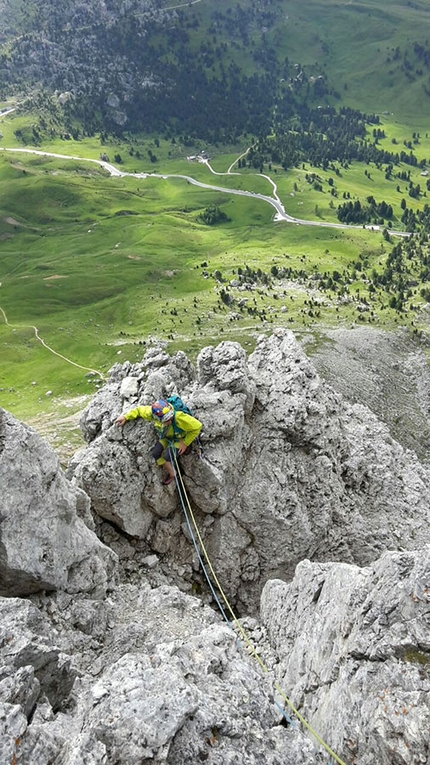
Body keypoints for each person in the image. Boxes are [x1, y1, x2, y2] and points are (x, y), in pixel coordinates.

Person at [116, 399, 202, 485]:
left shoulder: (179, 417)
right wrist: (125, 417)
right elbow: (139, 410)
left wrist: (185, 442)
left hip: (180, 438)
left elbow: (197, 426)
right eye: (166, 420)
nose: (170, 421)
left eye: (170, 418)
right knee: (156, 453)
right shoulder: (151, 414)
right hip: (167, 437)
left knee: (168, 456)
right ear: (157, 418)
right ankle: (173, 473)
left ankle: (185, 450)